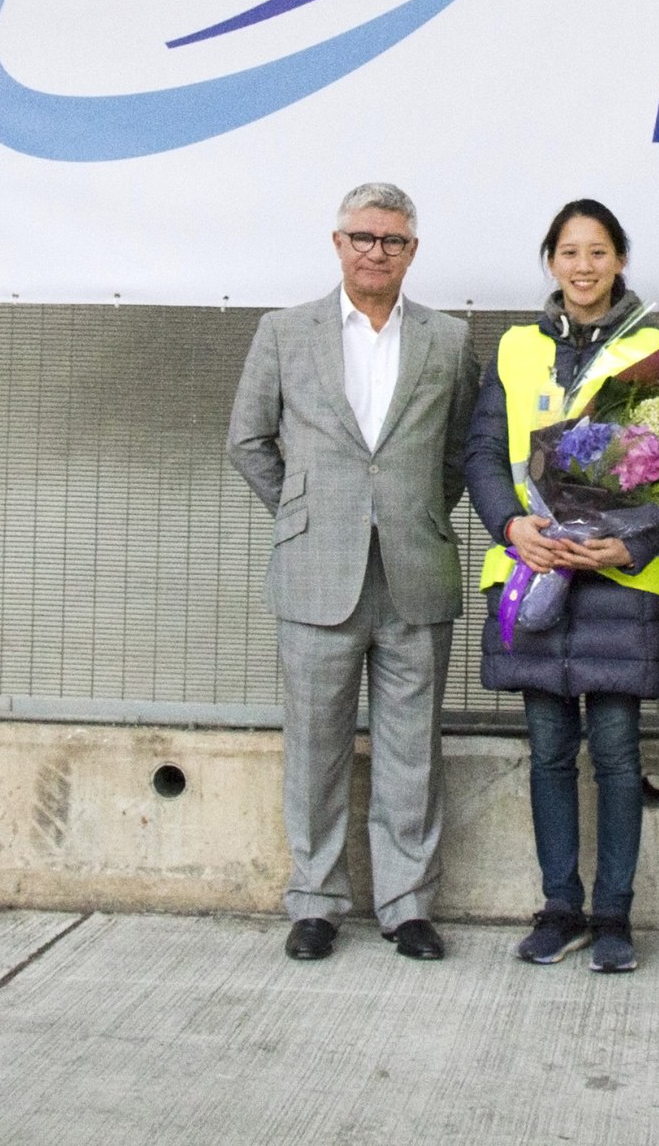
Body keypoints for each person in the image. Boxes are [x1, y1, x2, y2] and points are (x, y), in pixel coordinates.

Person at [227, 183, 480, 963]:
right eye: (364, 237)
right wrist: (305, 514)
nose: (377, 251)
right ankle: (316, 899)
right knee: (315, 745)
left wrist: (411, 512)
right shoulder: (284, 332)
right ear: (337, 243)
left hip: (414, 569)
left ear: (413, 250)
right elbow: (248, 441)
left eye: (393, 240)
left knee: (413, 747)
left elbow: (457, 454)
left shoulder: (448, 339)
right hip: (315, 574)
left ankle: (407, 905)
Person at [463, 200, 659, 974]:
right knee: (549, 749)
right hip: (532, 569)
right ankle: (560, 906)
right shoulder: (517, 348)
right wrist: (510, 528)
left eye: (598, 252)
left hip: (619, 574)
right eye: (568, 252)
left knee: (616, 753)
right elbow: (484, 453)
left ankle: (614, 916)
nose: (583, 267)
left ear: (619, 259)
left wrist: (632, 541)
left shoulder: (657, 348)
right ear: (550, 261)